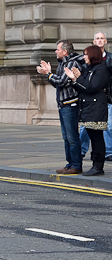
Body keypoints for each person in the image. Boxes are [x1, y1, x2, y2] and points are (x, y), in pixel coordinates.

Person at [36, 40, 84, 174]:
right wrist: (49, 74)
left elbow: (61, 81)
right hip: (63, 105)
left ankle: (76, 165)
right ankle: (70, 164)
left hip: (71, 104)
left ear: (65, 51)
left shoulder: (72, 63)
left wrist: (48, 74)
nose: (55, 52)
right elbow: (57, 83)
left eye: (57, 49)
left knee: (72, 137)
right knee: (66, 137)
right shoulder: (63, 63)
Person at [65, 45, 110, 176]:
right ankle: (95, 165)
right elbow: (83, 88)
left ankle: (98, 166)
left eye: (86, 54)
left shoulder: (101, 70)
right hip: (89, 108)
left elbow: (92, 87)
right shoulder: (90, 69)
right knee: (92, 136)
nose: (84, 57)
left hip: (96, 109)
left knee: (97, 138)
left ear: (93, 55)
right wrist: (75, 79)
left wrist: (77, 78)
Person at [78, 31, 112, 161]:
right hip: (89, 101)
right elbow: (86, 83)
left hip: (105, 97)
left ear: (106, 41)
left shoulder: (108, 60)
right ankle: (82, 150)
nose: (99, 41)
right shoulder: (88, 65)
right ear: (93, 41)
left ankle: (107, 153)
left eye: (102, 38)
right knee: (86, 128)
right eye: (97, 38)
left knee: (107, 127)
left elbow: (93, 85)